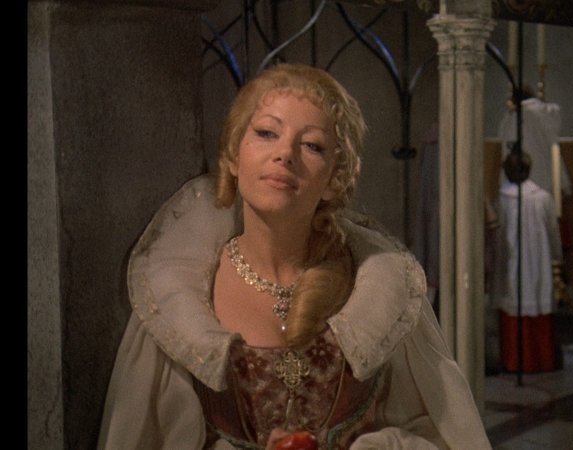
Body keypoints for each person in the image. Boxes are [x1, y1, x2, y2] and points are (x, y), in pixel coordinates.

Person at [97, 63, 491, 450]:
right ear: (233, 156)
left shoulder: (381, 295)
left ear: (334, 178)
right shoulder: (176, 302)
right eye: (267, 133)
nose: (285, 154)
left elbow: (441, 433)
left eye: (312, 145)